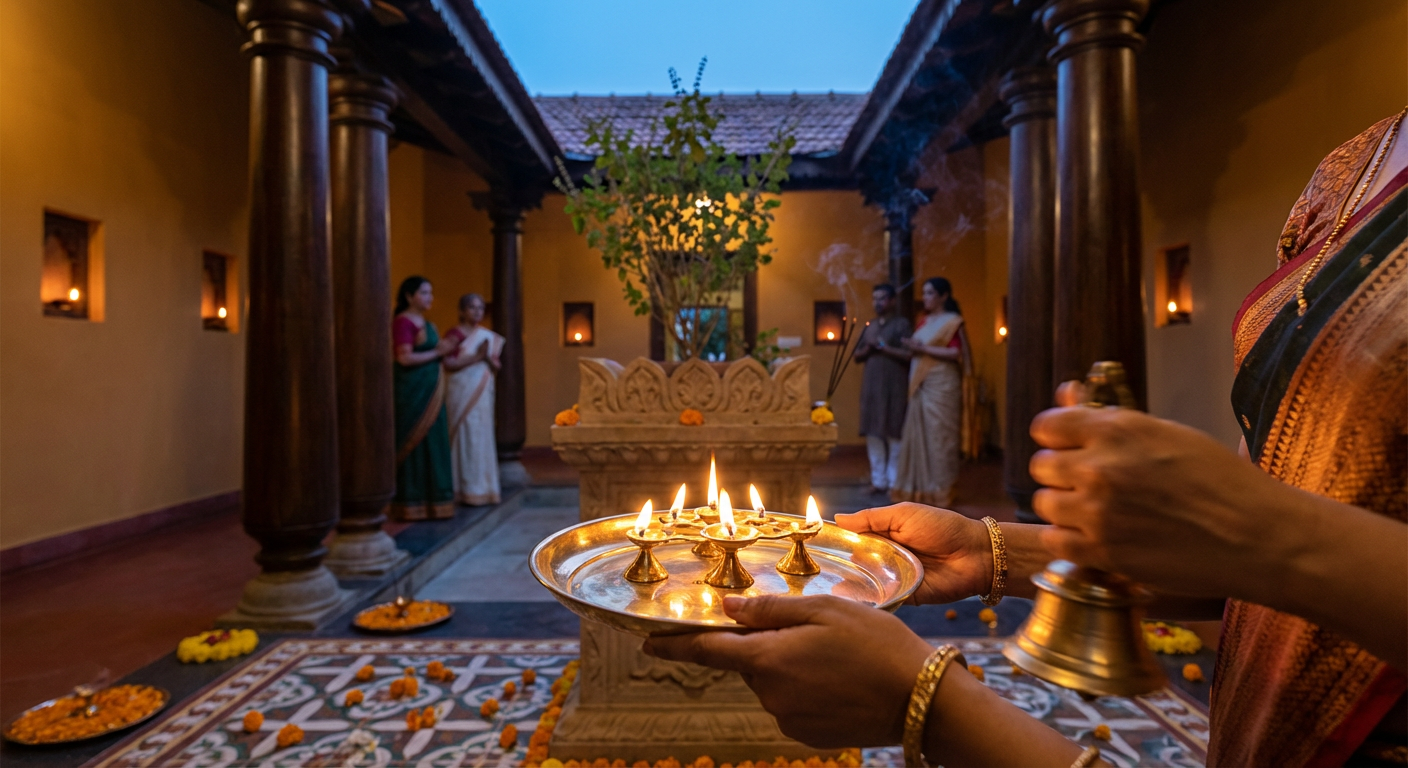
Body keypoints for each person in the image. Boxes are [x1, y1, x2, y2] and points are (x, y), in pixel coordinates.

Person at [646, 110, 1408, 767]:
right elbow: (1271, 568)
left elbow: (1274, 539)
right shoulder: (1353, 172)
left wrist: (929, 705)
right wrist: (996, 552)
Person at [891, 277, 972, 506]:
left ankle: (941, 492)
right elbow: (918, 351)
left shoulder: (953, 322)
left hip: (942, 386)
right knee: (919, 437)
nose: (925, 297)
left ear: (943, 296)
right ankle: (918, 492)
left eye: (929, 293)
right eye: (924, 293)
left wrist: (922, 348)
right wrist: (910, 346)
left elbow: (955, 354)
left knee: (940, 439)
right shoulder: (924, 322)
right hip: (922, 385)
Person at [391, 276, 458, 521]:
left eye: (431, 293)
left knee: (434, 442)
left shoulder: (429, 325)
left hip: (432, 393)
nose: (429, 297)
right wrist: (437, 352)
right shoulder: (403, 322)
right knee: (414, 445)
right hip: (412, 393)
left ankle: (436, 501)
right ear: (409, 296)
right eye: (423, 293)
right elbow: (404, 358)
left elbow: (440, 355)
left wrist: (447, 349)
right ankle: (411, 502)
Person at [442, 293, 503, 506]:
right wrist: (476, 357)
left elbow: (496, 366)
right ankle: (462, 489)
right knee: (464, 435)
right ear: (462, 311)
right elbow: (448, 363)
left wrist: (486, 357)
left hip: (481, 394)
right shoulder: (455, 334)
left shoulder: (487, 337)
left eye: (480, 308)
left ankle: (482, 489)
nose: (477, 312)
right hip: (462, 390)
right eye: (471, 307)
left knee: (481, 437)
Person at [852, 284, 912, 495]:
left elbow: (909, 354)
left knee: (895, 431)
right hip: (872, 386)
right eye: (874, 298)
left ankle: (895, 482)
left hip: (895, 385)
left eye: (882, 298)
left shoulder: (902, 324)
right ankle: (878, 481)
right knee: (873, 433)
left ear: (893, 300)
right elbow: (856, 356)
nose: (878, 303)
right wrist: (869, 348)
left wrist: (885, 348)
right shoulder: (870, 326)